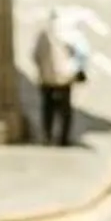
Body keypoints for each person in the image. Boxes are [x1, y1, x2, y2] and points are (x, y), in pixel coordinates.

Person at [32, 8, 83, 145]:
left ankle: (47, 136)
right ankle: (63, 138)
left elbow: (36, 55)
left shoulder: (43, 35)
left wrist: (42, 69)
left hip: (47, 78)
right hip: (64, 78)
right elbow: (78, 54)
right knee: (65, 110)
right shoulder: (68, 35)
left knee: (48, 107)